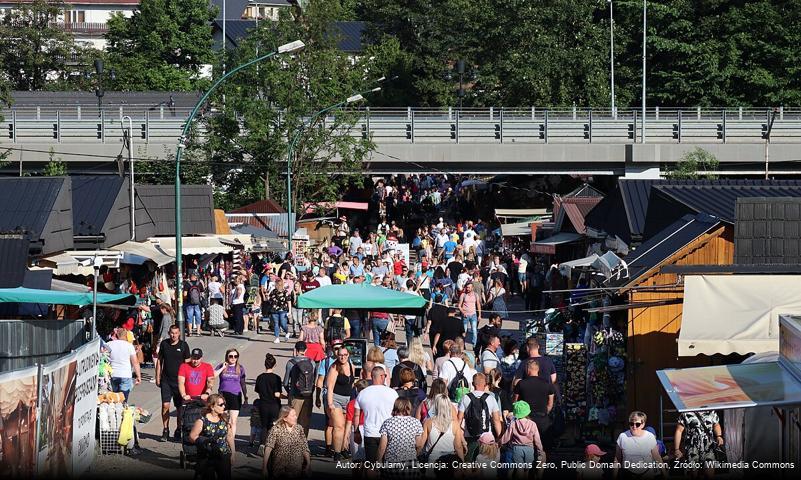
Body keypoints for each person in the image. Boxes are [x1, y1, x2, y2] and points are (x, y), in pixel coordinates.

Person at [354, 366, 399, 462]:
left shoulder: (363, 393)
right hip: (388, 432)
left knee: (371, 464)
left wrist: (356, 432)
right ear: (382, 376)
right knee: (387, 463)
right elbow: (397, 414)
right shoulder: (392, 393)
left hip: (370, 433)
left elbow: (357, 415)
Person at [155, 324, 190, 442]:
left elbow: (187, 364)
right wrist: (157, 376)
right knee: (165, 405)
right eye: (171, 333)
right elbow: (160, 361)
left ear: (179, 333)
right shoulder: (164, 344)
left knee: (180, 408)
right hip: (166, 380)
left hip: (180, 382)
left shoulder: (183, 345)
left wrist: (187, 380)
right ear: (169, 333)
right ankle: (165, 429)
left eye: (175, 333)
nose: (173, 335)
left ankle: (179, 428)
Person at [188, 394, 235, 480]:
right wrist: (202, 441)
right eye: (221, 405)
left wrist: (233, 454)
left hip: (223, 454)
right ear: (212, 407)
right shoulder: (202, 421)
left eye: (224, 404)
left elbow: (230, 437)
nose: (224, 406)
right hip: (207, 456)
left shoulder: (224, 420)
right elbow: (192, 437)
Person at [457, 373, 502, 461]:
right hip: (487, 437)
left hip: (470, 436)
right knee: (486, 466)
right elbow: (496, 420)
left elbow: (459, 419)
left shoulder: (465, 398)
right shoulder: (491, 398)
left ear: (473, 384)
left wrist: (459, 438)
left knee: (469, 464)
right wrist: (499, 438)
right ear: (485, 384)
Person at [513, 360, 555, 453]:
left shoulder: (521, 384)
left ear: (528, 369)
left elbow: (515, 402)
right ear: (538, 369)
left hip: (526, 420)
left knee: (526, 447)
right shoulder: (548, 385)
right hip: (543, 419)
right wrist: (545, 413)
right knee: (542, 448)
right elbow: (550, 403)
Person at [613, 411, 667, 479]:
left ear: (643, 424)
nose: (634, 426)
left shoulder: (649, 436)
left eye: (637, 424)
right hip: (627, 474)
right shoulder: (622, 436)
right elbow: (617, 458)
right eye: (631, 424)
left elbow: (657, 457)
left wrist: (665, 474)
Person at [261, 406, 311, 479]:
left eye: (295, 415)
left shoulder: (299, 428)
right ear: (284, 418)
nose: (296, 417)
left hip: (296, 470)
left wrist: (308, 464)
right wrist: (264, 467)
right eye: (293, 415)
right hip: (279, 470)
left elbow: (304, 446)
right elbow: (268, 447)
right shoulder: (276, 429)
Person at [499, 401, 545, 479]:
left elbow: (507, 436)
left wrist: (500, 443)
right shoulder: (532, 424)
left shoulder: (513, 424)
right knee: (527, 469)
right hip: (529, 449)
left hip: (516, 449)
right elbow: (537, 439)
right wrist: (540, 450)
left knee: (519, 469)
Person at [326, 345, 356, 461]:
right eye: (340, 355)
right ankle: (337, 453)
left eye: (344, 355)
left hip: (348, 400)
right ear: (337, 356)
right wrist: (330, 404)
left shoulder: (351, 365)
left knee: (346, 426)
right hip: (336, 399)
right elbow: (330, 387)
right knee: (339, 426)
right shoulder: (334, 367)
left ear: (348, 355)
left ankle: (344, 449)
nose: (342, 357)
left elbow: (352, 383)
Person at [377, 397, 424, 469]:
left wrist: (379, 461)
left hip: (391, 463)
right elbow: (419, 445)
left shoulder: (387, 422)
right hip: (410, 463)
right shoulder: (416, 422)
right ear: (408, 407)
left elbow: (382, 447)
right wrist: (414, 456)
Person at [674, 410, 724, 478]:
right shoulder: (686, 413)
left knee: (709, 473)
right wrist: (677, 449)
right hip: (692, 447)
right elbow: (679, 430)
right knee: (693, 473)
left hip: (708, 447)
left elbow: (716, 424)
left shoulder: (711, 412)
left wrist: (719, 436)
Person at [214, 349, 247, 446]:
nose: (233, 358)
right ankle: (222, 439)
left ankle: (231, 441)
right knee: (223, 419)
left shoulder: (240, 368)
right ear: (227, 357)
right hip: (223, 395)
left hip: (235, 395)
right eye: (231, 356)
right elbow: (212, 375)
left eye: (235, 356)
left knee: (233, 421)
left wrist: (246, 397)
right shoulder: (222, 366)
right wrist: (222, 368)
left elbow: (243, 383)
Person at [420, 394, 465, 462]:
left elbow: (421, 444)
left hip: (432, 460)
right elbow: (458, 447)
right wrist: (462, 461)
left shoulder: (428, 422)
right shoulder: (455, 424)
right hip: (449, 461)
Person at [283, 341, 315, 436]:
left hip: (295, 396)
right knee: (305, 422)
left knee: (291, 421)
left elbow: (285, 382)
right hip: (308, 396)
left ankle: (291, 444)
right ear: (305, 350)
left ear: (295, 350)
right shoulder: (312, 362)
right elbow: (313, 381)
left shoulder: (291, 363)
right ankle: (303, 444)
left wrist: (289, 392)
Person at [255, 354, 283, 449]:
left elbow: (258, 392)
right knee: (273, 426)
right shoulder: (277, 378)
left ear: (265, 365)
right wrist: (285, 397)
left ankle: (262, 445)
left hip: (263, 404)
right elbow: (277, 394)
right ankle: (271, 446)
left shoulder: (260, 377)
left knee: (264, 426)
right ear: (275, 365)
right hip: (274, 405)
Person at [107, 327, 141, 403]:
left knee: (114, 399)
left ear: (116, 335)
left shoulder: (109, 344)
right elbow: (135, 362)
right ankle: (122, 411)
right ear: (126, 335)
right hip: (125, 375)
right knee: (123, 400)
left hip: (113, 374)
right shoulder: (129, 346)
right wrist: (138, 376)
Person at [344, 379, 370, 462]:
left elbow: (348, 422)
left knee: (356, 460)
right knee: (368, 460)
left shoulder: (352, 403)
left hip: (355, 430)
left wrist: (345, 438)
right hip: (369, 429)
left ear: (356, 390)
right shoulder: (371, 402)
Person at [269, 277, 290, 343]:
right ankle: (277, 337)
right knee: (276, 324)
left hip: (283, 309)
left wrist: (289, 311)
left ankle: (287, 332)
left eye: (278, 284)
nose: (277, 285)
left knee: (283, 323)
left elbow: (289, 301)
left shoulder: (285, 292)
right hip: (274, 309)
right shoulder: (273, 291)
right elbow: (270, 299)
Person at [184, 272, 205, 336]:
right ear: (196, 277)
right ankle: (198, 332)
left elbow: (184, 294)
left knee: (189, 317)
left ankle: (190, 332)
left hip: (189, 303)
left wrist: (186, 299)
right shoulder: (199, 283)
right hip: (197, 303)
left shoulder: (187, 284)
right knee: (198, 317)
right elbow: (202, 293)